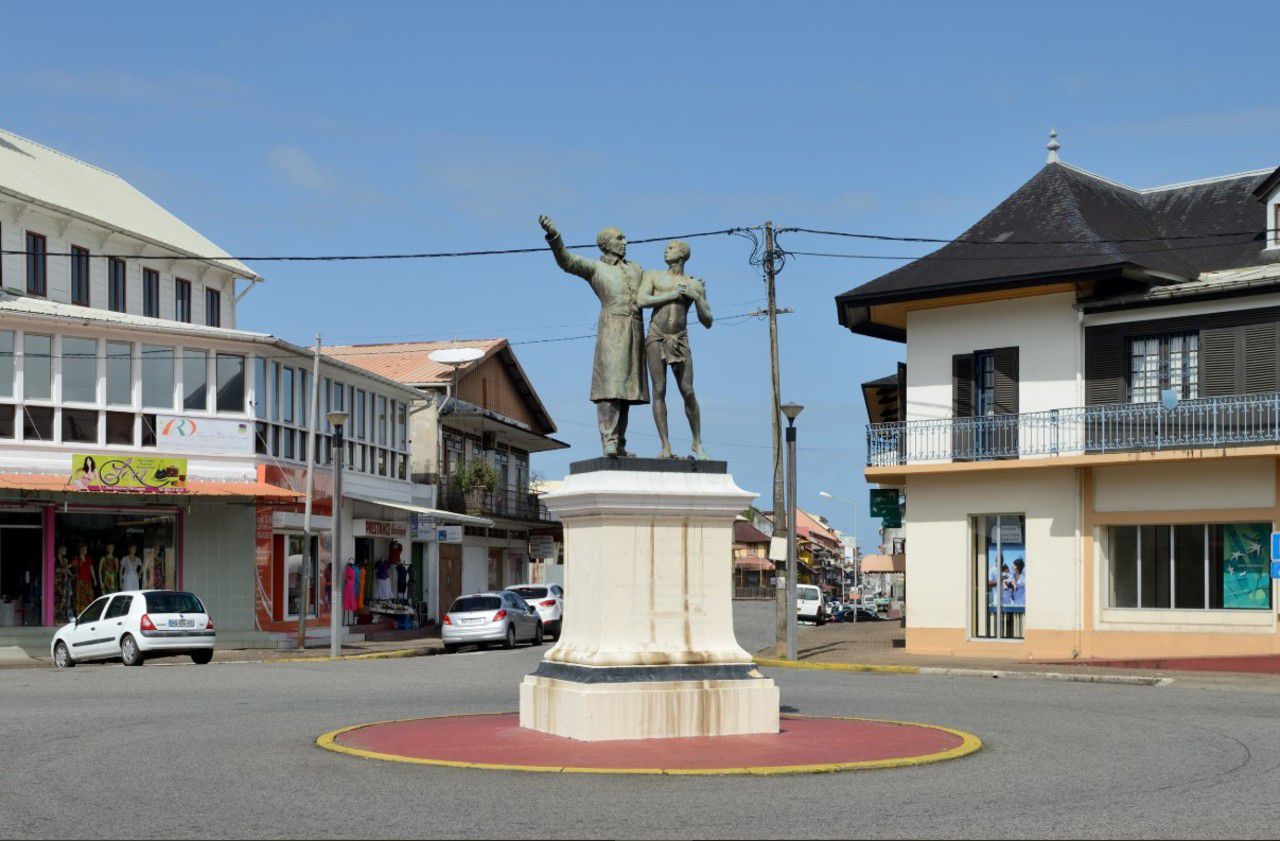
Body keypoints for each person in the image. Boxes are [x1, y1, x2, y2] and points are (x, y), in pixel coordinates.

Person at [538, 215, 649, 457]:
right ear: (606, 243)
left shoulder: (636, 269)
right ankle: (609, 440)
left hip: (635, 331)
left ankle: (619, 443)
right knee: (610, 388)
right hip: (611, 328)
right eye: (620, 238)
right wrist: (554, 236)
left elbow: (655, 288)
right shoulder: (596, 268)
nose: (625, 241)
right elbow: (567, 261)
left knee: (627, 392)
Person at [637, 239, 713, 460]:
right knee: (659, 389)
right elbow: (641, 299)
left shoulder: (694, 284)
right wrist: (671, 295)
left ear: (682, 253)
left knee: (688, 390)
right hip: (656, 335)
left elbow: (708, 320)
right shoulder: (653, 275)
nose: (666, 250)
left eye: (670, 248)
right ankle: (665, 444)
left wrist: (696, 297)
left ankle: (697, 442)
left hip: (679, 339)